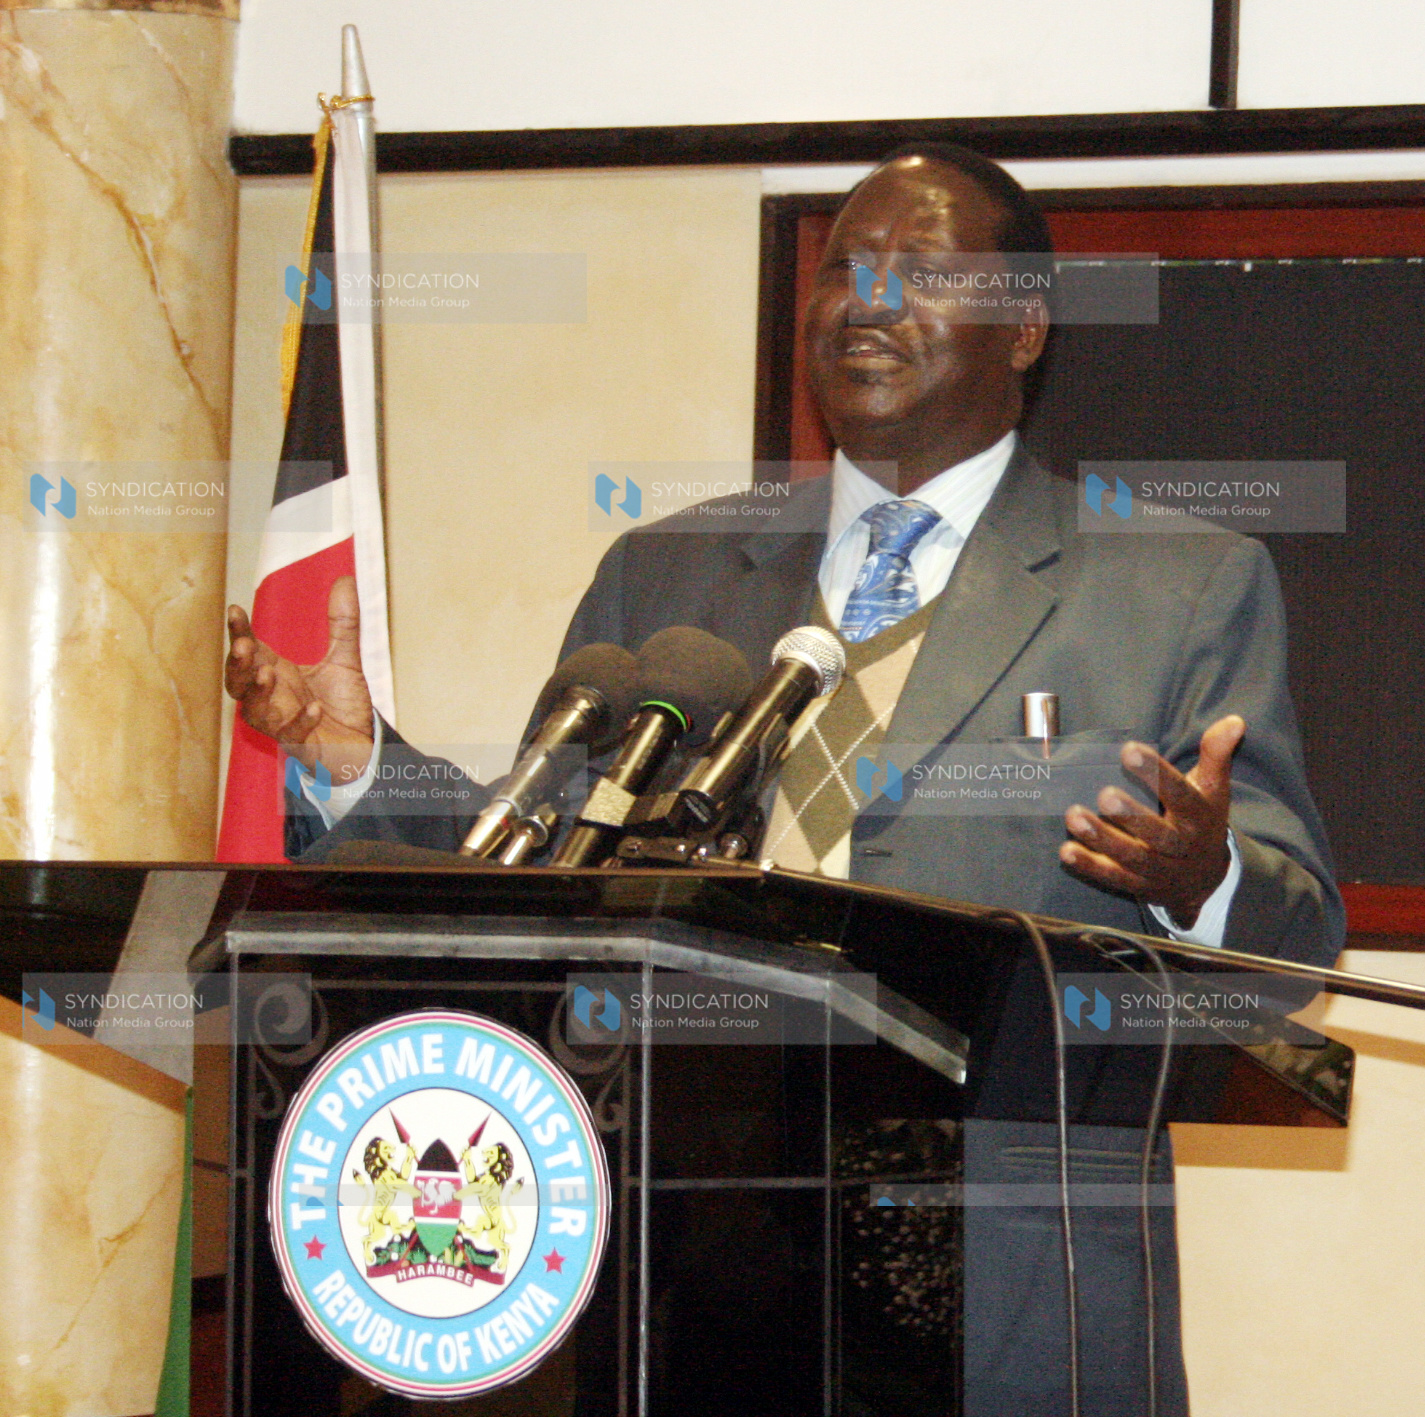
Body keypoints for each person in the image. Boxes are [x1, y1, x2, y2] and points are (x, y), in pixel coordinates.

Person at [227, 145, 1344, 1412]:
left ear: (1026, 327)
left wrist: (1205, 879)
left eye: (918, 270)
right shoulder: (670, 576)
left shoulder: (1176, 584)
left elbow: (1297, 941)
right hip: (684, 1280)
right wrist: (354, 761)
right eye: (839, 272)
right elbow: (535, 869)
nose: (864, 299)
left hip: (1009, 1297)